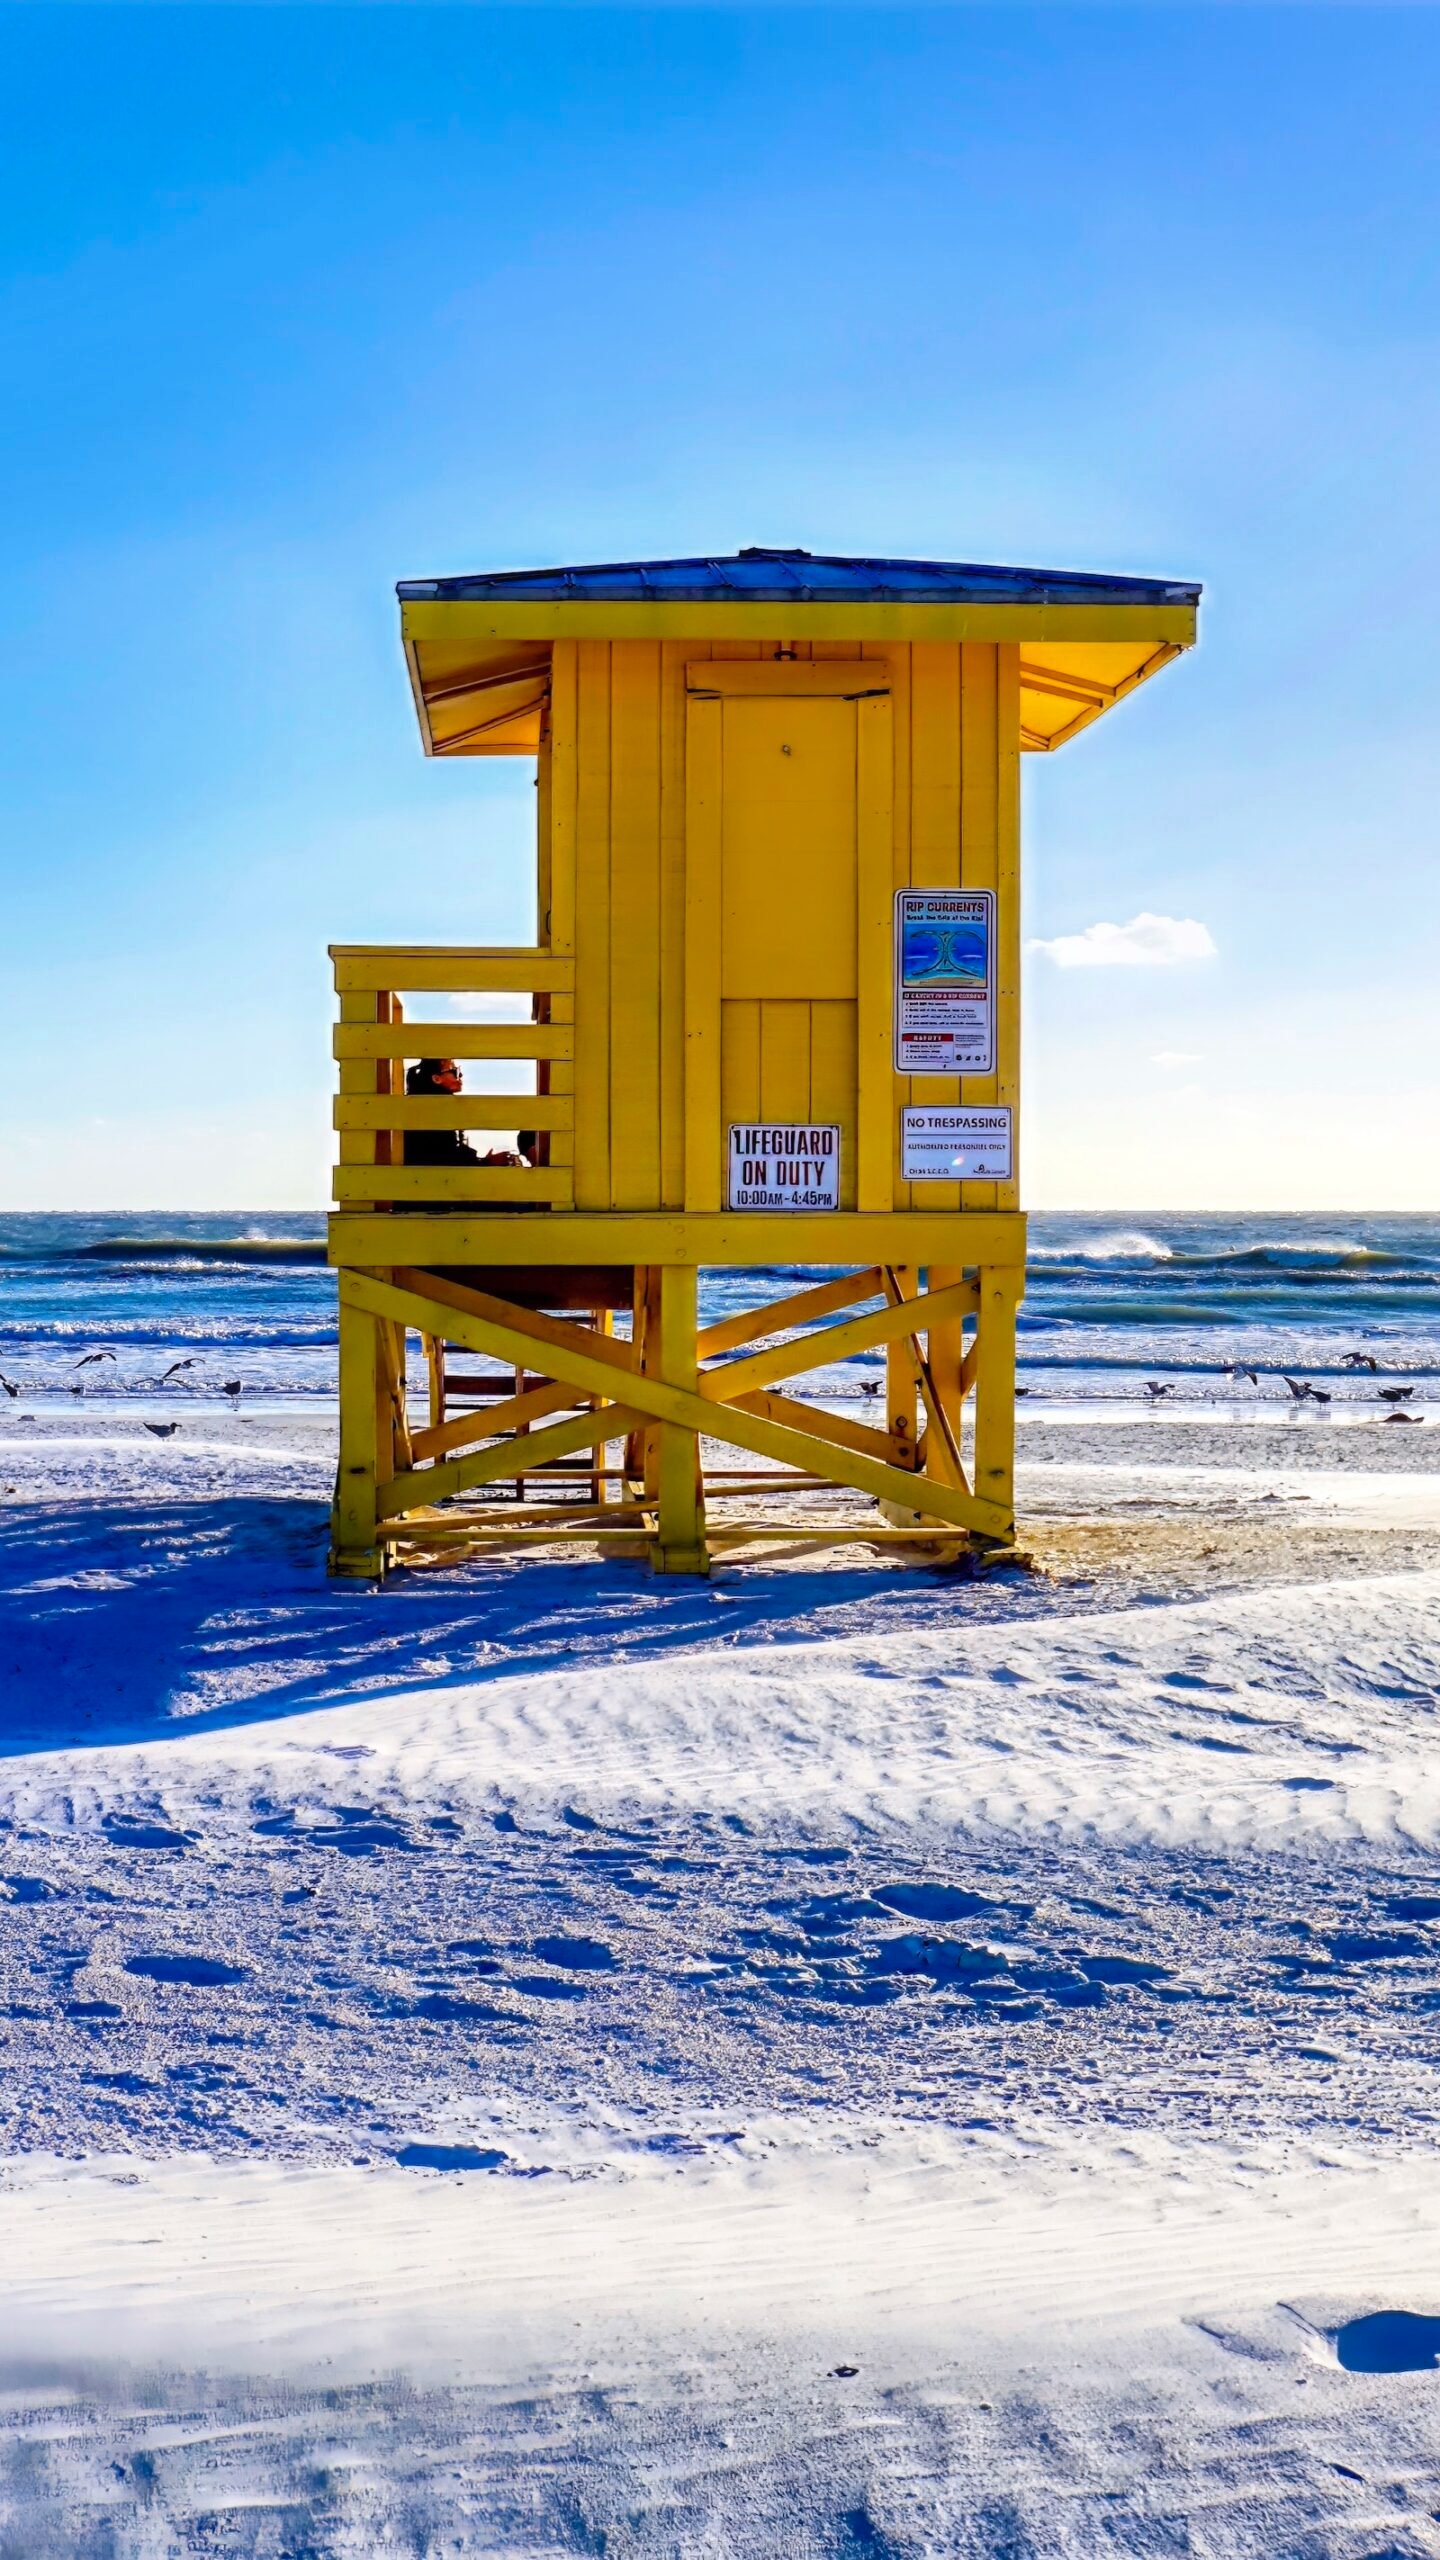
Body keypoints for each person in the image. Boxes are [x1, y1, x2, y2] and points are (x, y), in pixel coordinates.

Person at [403, 1061, 535, 1171]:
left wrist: (482, 1161)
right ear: (436, 1079)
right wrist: (485, 1162)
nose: (460, 1075)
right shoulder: (434, 1111)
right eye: (454, 1072)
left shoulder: (424, 1109)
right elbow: (445, 1156)